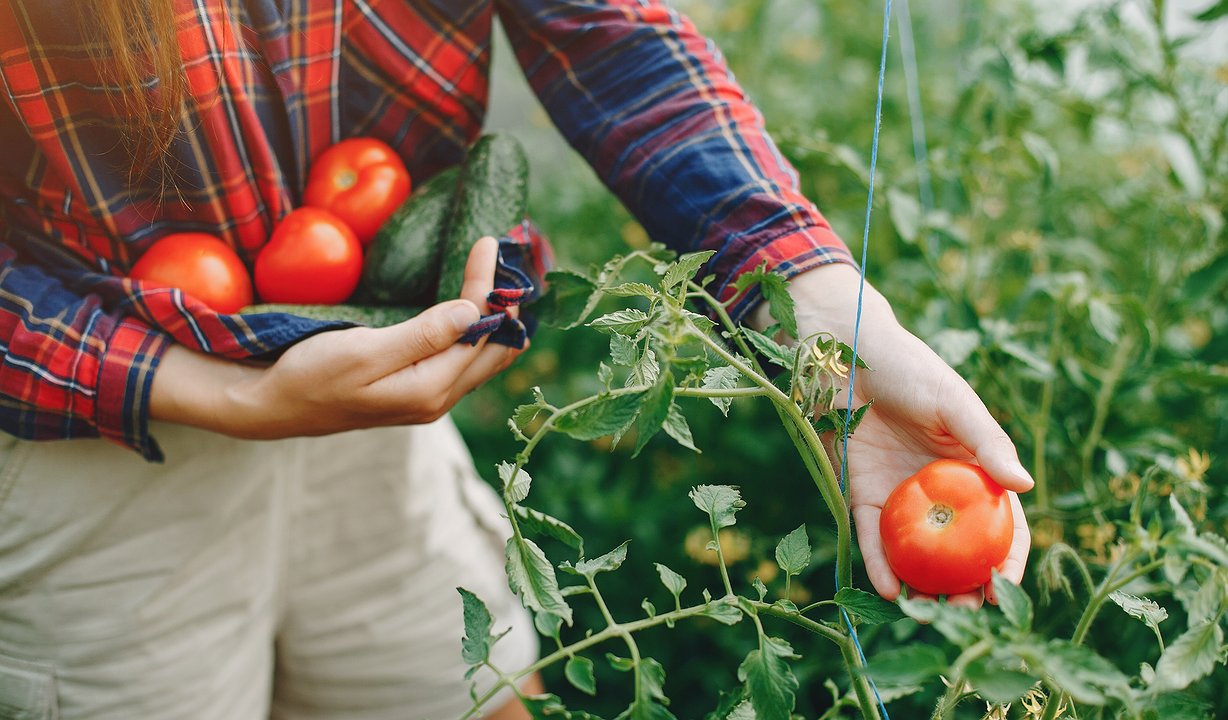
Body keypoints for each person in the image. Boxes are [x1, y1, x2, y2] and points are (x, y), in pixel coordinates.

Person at [0, 0, 1034, 718]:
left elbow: (607, 36)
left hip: (371, 386)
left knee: (472, 696)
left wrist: (811, 296)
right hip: (93, 439)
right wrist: (208, 389)